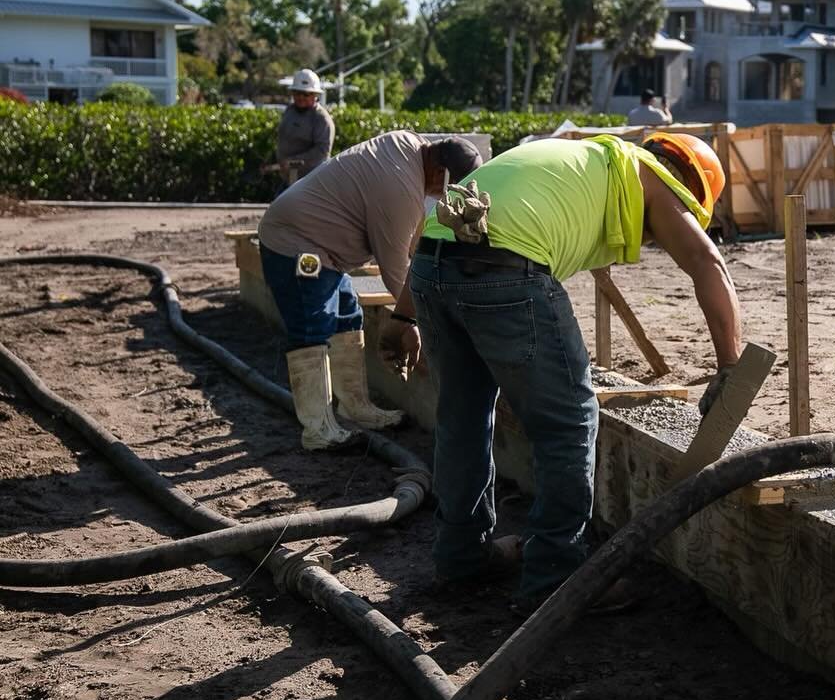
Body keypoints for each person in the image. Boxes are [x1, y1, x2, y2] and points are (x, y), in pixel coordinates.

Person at [394, 132, 740, 609]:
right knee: (569, 423)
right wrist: (729, 367)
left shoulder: (581, 157)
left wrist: (401, 315)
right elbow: (707, 261)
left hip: (432, 269)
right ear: (687, 189)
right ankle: (555, 578)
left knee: (463, 417)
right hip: (506, 267)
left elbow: (443, 227)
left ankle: (460, 556)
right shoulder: (650, 177)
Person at [258, 131, 482, 449]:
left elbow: (415, 242)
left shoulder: (409, 148)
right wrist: (419, 319)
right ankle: (317, 429)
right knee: (313, 322)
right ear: (439, 170)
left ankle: (354, 407)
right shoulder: (398, 186)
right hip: (295, 246)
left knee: (348, 313)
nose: (444, 194)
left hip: (324, 248)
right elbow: (396, 271)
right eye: (449, 186)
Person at [269, 68, 335, 185]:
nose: (301, 97)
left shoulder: (321, 119)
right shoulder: (290, 111)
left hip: (310, 183)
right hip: (288, 179)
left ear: (315, 95)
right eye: (298, 93)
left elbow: (322, 152)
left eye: (306, 94)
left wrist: (292, 162)